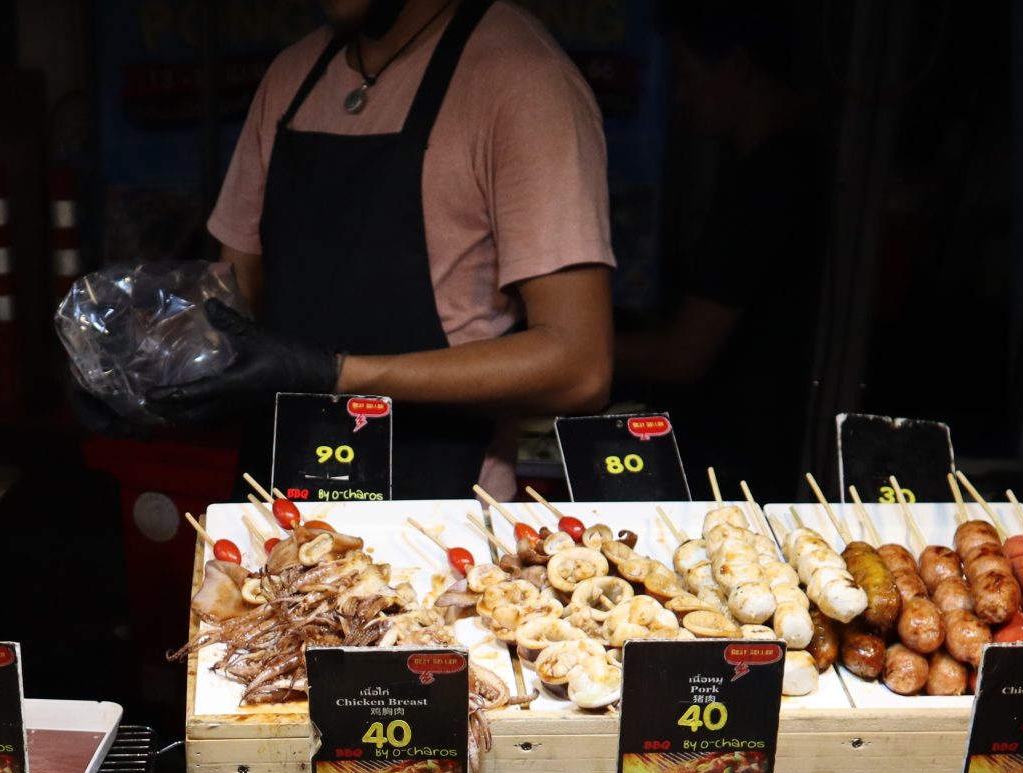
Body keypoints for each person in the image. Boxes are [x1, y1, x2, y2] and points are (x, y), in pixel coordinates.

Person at [147, 0, 615, 498]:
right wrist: (140, 380)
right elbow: (229, 305)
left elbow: (579, 366)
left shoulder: (522, 80)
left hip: (441, 521)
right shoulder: (292, 77)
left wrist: (334, 375)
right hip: (282, 504)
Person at [613, 11, 831, 487]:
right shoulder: (790, 164)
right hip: (754, 438)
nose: (681, 97)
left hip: (743, 457)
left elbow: (682, 355)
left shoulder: (769, 182)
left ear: (735, 65)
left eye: (687, 76)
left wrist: (568, 352)